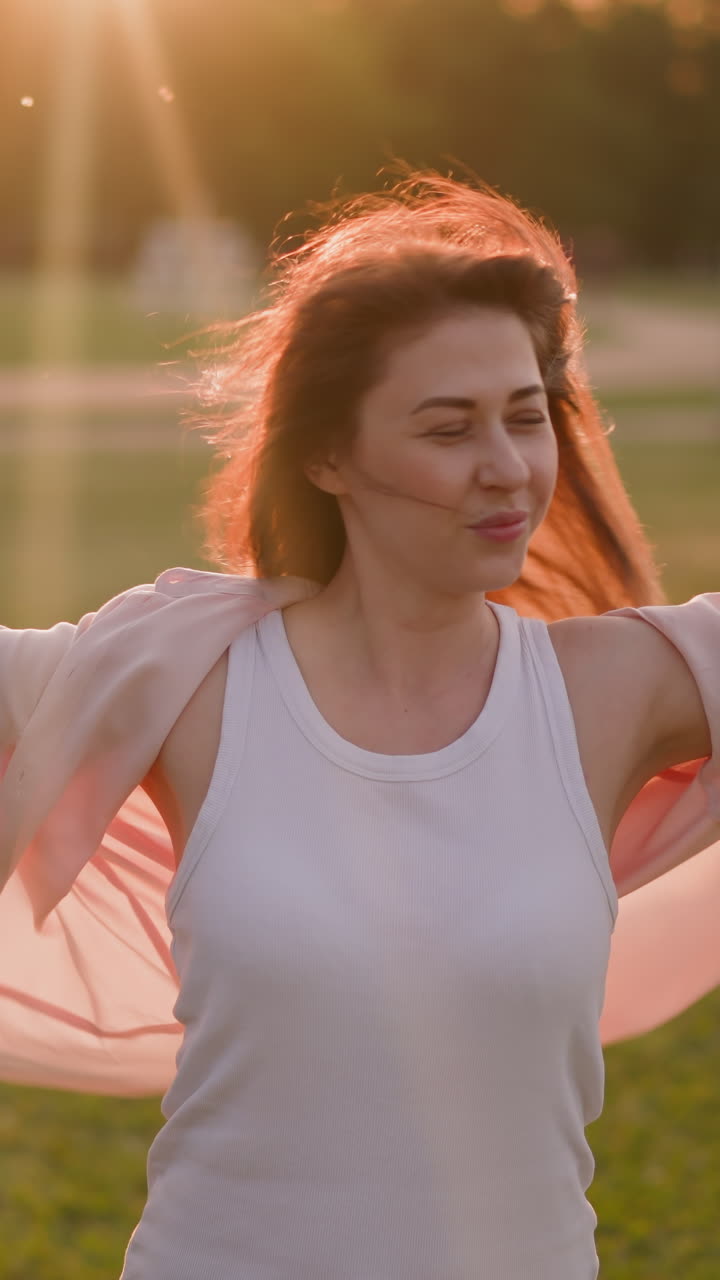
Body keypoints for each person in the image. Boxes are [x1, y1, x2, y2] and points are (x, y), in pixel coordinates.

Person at [0, 170, 718, 1278]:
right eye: (449, 427)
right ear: (330, 457)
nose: (507, 469)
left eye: (527, 418)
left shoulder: (614, 688)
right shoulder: (187, 679)